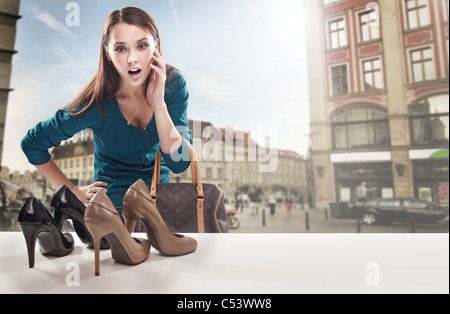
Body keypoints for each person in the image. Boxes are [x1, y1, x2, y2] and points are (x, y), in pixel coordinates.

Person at [20, 7, 192, 219]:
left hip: (160, 208)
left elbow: (179, 162)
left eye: (142, 46)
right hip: (112, 211)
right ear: (107, 53)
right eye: (121, 49)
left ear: (155, 46)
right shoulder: (96, 103)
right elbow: (32, 143)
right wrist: (72, 191)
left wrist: (159, 104)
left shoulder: (173, 85)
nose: (132, 59)